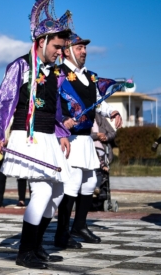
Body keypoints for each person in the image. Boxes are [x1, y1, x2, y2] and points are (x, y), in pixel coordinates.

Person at [0, 0, 72, 269]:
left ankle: (35, 245)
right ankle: (25, 252)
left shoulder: (54, 73)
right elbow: (3, 102)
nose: (61, 53)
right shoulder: (20, 67)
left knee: (58, 192)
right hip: (28, 137)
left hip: (48, 138)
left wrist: (62, 134)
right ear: (42, 40)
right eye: (57, 47)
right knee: (43, 192)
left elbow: (55, 110)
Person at [55, 32, 122, 248]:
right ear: (66, 51)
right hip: (68, 138)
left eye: (85, 48)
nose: (84, 51)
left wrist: (112, 112)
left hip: (85, 139)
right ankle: (61, 233)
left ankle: (79, 226)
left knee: (90, 182)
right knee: (72, 183)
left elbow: (98, 102)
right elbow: (50, 102)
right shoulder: (57, 74)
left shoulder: (90, 76)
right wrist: (62, 120)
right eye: (79, 48)